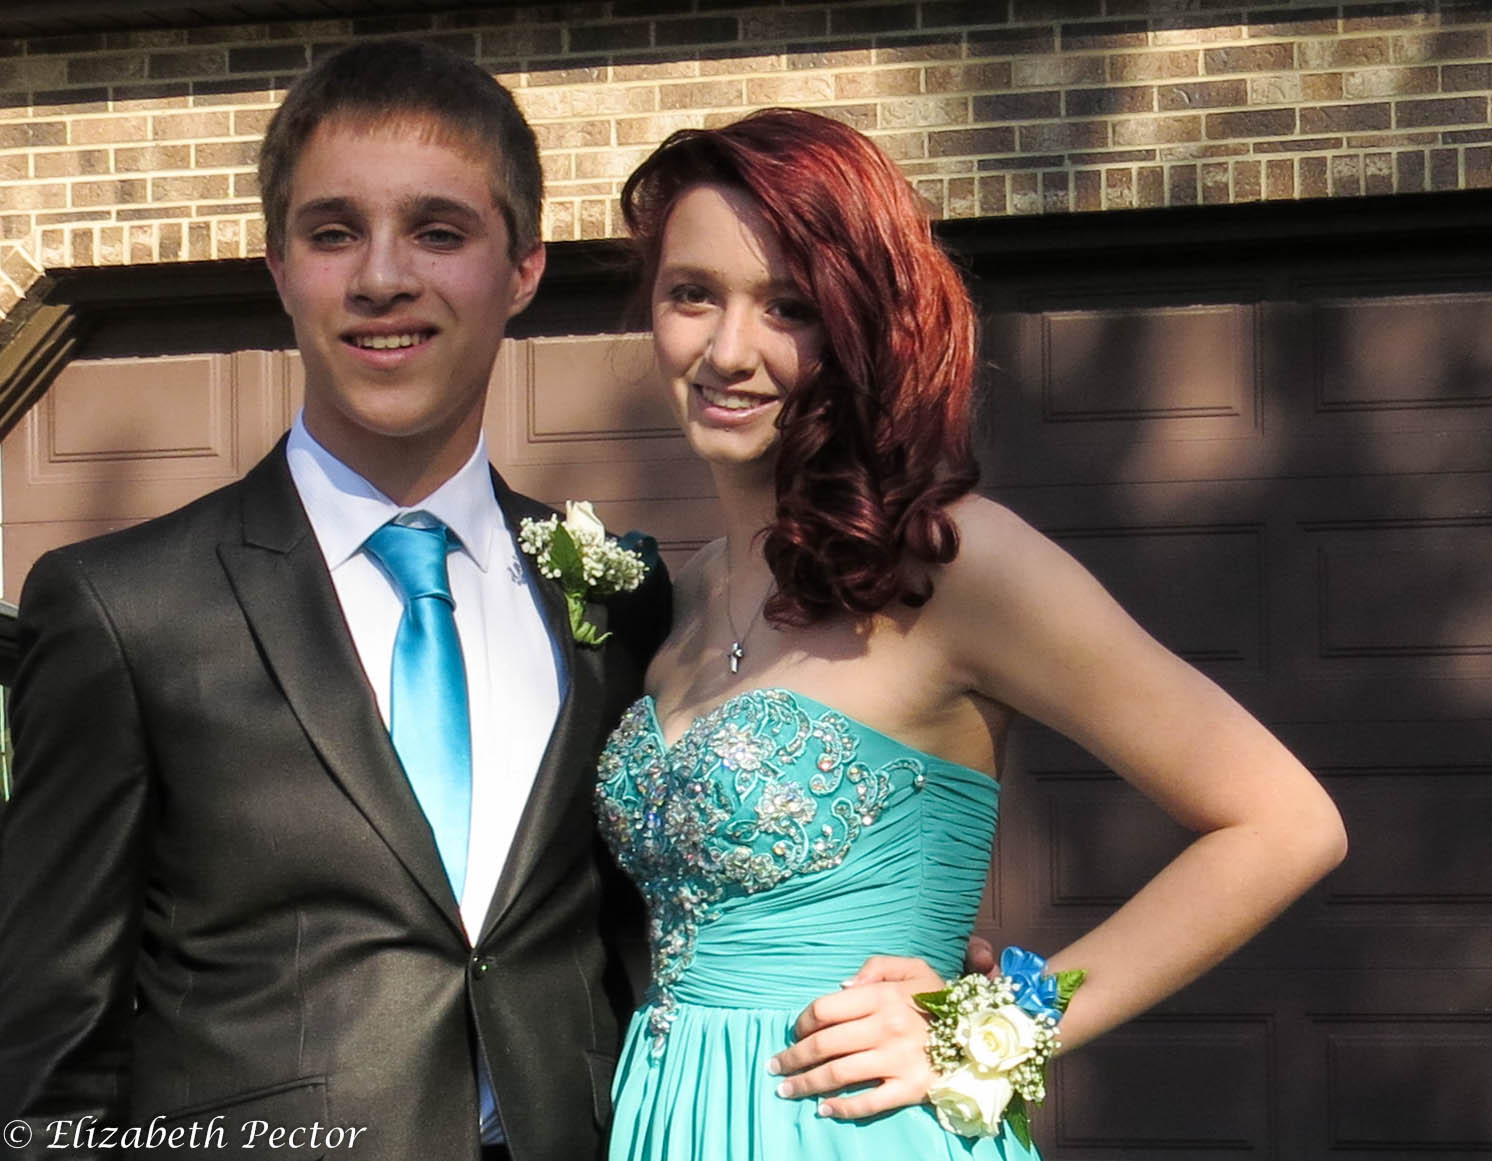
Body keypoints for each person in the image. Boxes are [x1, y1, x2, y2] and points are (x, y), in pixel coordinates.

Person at [595, 108, 1349, 1159]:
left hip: (855, 1131)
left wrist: (998, 1024)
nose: (728, 350)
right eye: (692, 295)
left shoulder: (952, 565)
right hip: (667, 1121)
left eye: (789, 306)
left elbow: (1281, 822)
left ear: (860, 323)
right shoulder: (680, 597)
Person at [0, 39, 672, 1161]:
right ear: (277, 266)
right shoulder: (123, 611)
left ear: (522, 269)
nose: (380, 278)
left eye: (439, 232)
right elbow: (40, 1047)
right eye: (333, 233)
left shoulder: (618, 600)